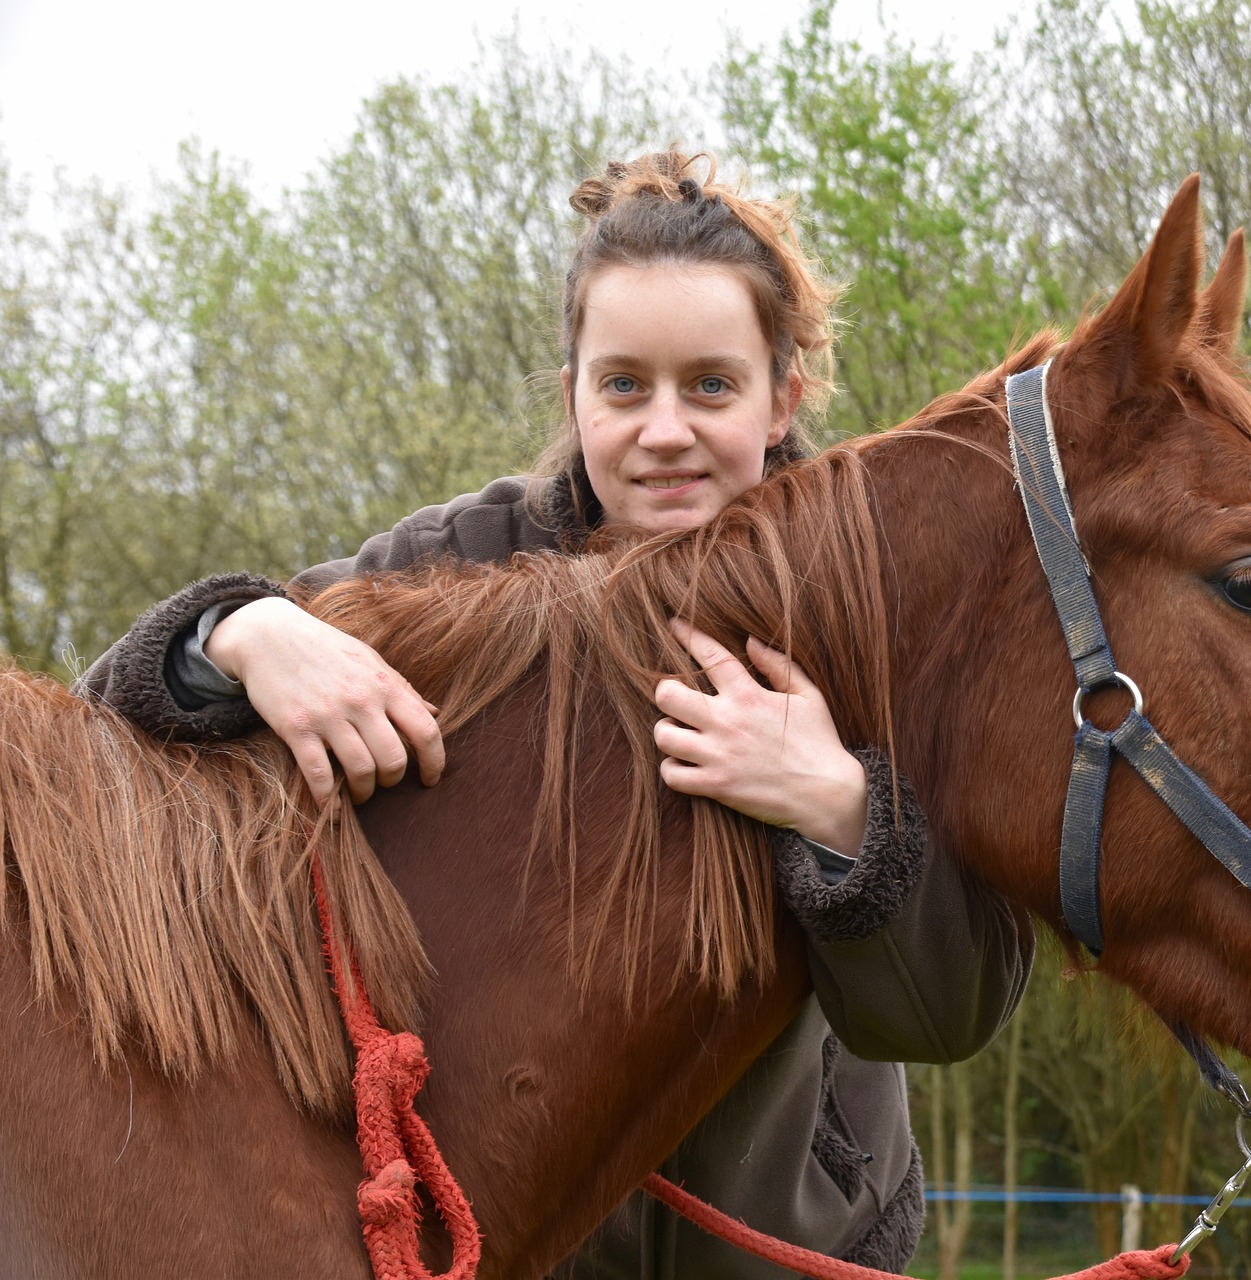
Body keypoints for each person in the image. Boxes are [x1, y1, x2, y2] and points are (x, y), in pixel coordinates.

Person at [78, 150, 1033, 1278]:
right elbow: (106, 720)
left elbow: (949, 1011)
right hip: (498, 1241)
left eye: (711, 385)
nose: (664, 428)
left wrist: (836, 805)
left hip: (792, 1250)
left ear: (782, 397)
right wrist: (242, 633)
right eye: (624, 384)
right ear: (575, 388)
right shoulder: (454, 564)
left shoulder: (882, 614)